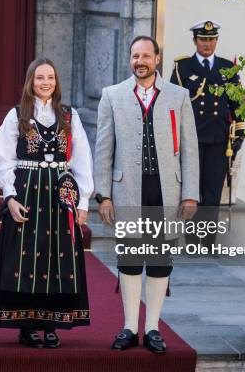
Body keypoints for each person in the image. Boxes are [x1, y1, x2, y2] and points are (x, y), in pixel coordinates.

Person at [94, 36, 199, 353]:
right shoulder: (112, 96)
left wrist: (190, 194)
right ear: (130, 59)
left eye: (146, 56)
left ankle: (152, 328)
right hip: (126, 191)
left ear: (157, 58)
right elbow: (103, 149)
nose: (140, 61)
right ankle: (128, 328)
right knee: (129, 259)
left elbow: (190, 150)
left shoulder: (178, 96)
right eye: (134, 56)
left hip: (166, 191)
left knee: (158, 261)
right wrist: (104, 195)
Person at [0, 58, 93, 349]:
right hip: (27, 193)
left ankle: (52, 322)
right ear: (30, 81)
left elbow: (82, 159)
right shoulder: (16, 115)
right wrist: (9, 197)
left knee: (57, 259)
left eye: (51, 78)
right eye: (40, 77)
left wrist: (82, 202)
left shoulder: (70, 117)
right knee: (26, 258)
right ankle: (27, 325)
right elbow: (2, 160)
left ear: (56, 82)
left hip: (60, 195)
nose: (46, 82)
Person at [170, 20, 245, 248]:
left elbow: (238, 106)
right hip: (190, 141)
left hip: (219, 140)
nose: (207, 44)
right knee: (192, 192)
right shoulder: (182, 68)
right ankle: (193, 242)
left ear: (216, 41)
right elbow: (173, 106)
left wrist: (239, 134)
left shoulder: (227, 69)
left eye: (212, 39)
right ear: (195, 41)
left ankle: (208, 243)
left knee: (212, 193)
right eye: (203, 39)